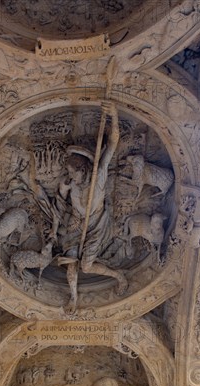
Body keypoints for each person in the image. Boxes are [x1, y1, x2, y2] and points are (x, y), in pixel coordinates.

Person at [57, 101, 128, 313]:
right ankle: (74, 297)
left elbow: (113, 143)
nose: (70, 176)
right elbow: (62, 203)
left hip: (96, 225)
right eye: (69, 173)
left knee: (86, 266)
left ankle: (118, 276)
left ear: (84, 168)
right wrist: (62, 191)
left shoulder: (99, 177)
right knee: (70, 262)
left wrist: (114, 114)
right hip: (76, 225)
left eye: (72, 172)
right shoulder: (72, 185)